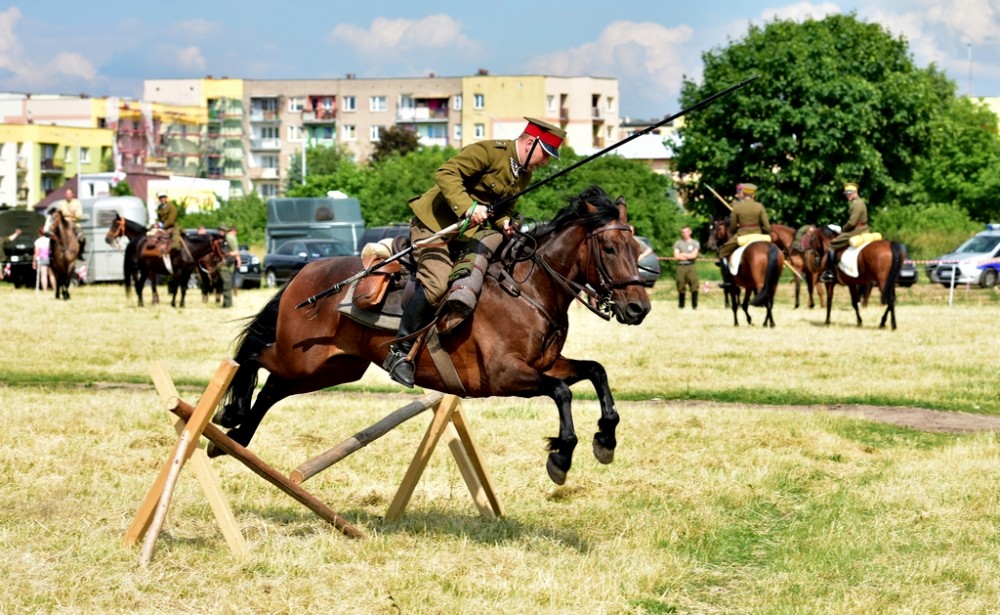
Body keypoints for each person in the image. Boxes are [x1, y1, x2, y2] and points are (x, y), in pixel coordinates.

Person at [384, 116, 566, 387]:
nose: (546, 162)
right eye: (546, 154)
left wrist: (505, 223)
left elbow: (503, 208)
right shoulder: (489, 152)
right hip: (434, 226)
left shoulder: (524, 174)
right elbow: (446, 173)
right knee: (437, 285)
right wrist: (468, 207)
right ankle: (399, 351)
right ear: (530, 143)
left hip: (468, 234)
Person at [718, 182, 771, 288]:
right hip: (759, 236)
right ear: (753, 194)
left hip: (742, 236)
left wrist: (736, 228)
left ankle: (728, 280)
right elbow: (767, 227)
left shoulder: (738, 207)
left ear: (744, 193)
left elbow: (732, 227)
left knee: (722, 252)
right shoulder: (759, 206)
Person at [821, 183, 869, 282]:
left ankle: (829, 272)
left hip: (856, 231)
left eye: (849, 193)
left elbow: (851, 223)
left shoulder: (855, 204)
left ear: (855, 192)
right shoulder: (860, 202)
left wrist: (842, 229)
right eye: (846, 194)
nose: (847, 195)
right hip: (864, 229)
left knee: (832, 246)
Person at [150, 190, 179, 273]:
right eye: (160, 198)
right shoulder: (160, 207)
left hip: (172, 227)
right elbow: (159, 219)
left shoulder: (172, 207)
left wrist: (161, 225)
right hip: (162, 227)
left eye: (163, 197)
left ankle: (175, 255)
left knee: (176, 244)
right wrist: (156, 224)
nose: (162, 199)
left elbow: (171, 221)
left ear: (166, 198)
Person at [55, 187, 86, 259]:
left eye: (70, 194)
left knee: (82, 238)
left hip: (74, 223)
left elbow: (79, 215)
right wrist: (71, 213)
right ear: (65, 195)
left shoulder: (77, 203)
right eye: (67, 194)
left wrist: (67, 214)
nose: (68, 195)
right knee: (53, 236)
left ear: (72, 194)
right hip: (64, 224)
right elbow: (60, 214)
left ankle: (80, 253)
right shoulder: (61, 203)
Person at [673, 225, 700, 309]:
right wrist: (688, 255)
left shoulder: (695, 243)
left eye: (686, 232)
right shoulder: (678, 243)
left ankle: (694, 305)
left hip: (691, 266)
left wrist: (682, 254)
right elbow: (676, 256)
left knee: (694, 285)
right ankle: (681, 305)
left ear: (690, 232)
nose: (684, 234)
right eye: (683, 232)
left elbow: (694, 255)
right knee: (680, 285)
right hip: (681, 266)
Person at [218, 225, 241, 308]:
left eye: (222, 230)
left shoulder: (229, 238)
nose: (220, 232)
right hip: (223, 264)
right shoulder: (221, 238)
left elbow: (236, 251)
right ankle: (226, 303)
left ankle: (227, 304)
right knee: (225, 284)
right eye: (220, 230)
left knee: (226, 284)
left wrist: (227, 254)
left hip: (226, 264)